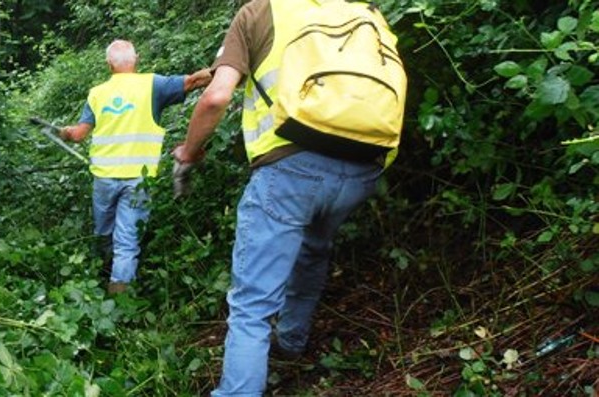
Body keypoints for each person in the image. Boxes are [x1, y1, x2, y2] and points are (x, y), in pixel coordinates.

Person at [173, 0, 388, 394]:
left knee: (253, 303)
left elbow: (217, 97)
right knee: (313, 248)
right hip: (363, 167)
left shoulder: (259, 12)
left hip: (290, 167)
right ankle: (291, 342)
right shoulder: (364, 11)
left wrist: (189, 152)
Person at [60, 39, 212, 294]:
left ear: (109, 64)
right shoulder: (153, 85)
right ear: (136, 59)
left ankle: (103, 283)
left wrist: (64, 132)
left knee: (103, 233)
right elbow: (195, 81)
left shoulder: (97, 93)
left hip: (104, 179)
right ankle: (119, 299)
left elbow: (77, 135)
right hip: (138, 180)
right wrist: (226, 70)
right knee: (127, 241)